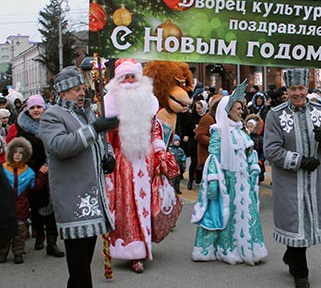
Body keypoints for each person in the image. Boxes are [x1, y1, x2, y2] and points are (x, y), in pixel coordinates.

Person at [39, 66, 118, 287]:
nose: (82, 93)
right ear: (62, 93)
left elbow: (102, 142)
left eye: (83, 88)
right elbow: (58, 146)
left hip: (92, 200)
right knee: (79, 268)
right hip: (74, 201)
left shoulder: (88, 114)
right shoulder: (52, 115)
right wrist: (93, 129)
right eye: (76, 90)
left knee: (84, 265)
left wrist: (109, 156)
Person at [264, 69, 321, 288]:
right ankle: (300, 272)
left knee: (306, 223)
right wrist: (300, 161)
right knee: (295, 222)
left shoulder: (320, 110)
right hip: (288, 183)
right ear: (287, 90)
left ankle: (291, 256)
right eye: (293, 89)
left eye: (301, 88)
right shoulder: (275, 115)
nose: (298, 93)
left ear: (307, 88)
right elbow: (271, 150)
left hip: (313, 183)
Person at [103, 58, 175, 273]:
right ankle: (132, 252)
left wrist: (160, 151)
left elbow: (154, 130)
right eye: (125, 77)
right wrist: (105, 161)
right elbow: (105, 138)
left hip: (146, 162)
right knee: (127, 209)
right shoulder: (110, 106)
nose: (130, 81)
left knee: (148, 206)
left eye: (133, 76)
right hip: (122, 165)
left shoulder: (148, 103)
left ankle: (143, 246)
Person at [191, 81, 268, 265]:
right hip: (228, 182)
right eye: (237, 108)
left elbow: (249, 153)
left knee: (246, 216)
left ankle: (248, 248)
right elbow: (214, 159)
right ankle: (227, 248)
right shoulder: (218, 131)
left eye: (241, 108)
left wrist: (253, 169)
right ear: (227, 110)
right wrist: (214, 181)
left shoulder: (241, 131)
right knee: (225, 216)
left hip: (244, 183)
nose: (241, 111)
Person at [15, 94, 65, 257]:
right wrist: (38, 168)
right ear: (28, 110)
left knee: (53, 207)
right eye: (32, 108)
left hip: (55, 170)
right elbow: (21, 150)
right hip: (34, 172)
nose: (36, 110)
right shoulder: (23, 127)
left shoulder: (53, 122)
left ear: (44, 107)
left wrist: (51, 164)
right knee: (37, 205)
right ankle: (40, 236)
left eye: (38, 107)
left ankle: (52, 242)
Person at [0, 137, 46, 264]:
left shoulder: (29, 172)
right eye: (15, 152)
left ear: (25, 155)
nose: (18, 155)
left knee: (20, 234)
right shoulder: (3, 169)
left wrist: (42, 174)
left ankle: (18, 253)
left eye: (21, 153)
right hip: (4, 207)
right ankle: (2, 253)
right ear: (10, 153)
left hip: (21, 207)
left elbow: (34, 186)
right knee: (3, 231)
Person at [194, 95, 222, 187]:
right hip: (207, 155)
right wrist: (214, 142)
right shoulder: (207, 118)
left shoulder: (219, 118)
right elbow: (199, 135)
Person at [245, 114, 266, 184]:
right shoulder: (244, 137)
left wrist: (261, 160)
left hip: (258, 162)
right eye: (247, 126)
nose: (249, 128)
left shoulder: (260, 139)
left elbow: (263, 152)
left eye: (251, 127)